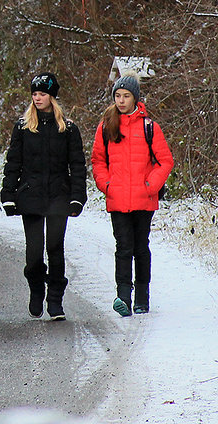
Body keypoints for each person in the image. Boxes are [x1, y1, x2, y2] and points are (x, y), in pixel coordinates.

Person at [1, 73, 86, 320]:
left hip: (59, 195)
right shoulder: (23, 127)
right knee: (34, 253)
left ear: (52, 96)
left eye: (42, 94)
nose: (38, 98)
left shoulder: (68, 129)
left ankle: (55, 300)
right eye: (35, 94)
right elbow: (13, 162)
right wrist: (9, 194)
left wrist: (77, 196)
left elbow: (77, 165)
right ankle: (36, 288)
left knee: (55, 248)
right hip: (32, 196)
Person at [91, 73, 173, 317]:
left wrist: (151, 186)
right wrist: (107, 185)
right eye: (117, 96)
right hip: (117, 199)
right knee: (123, 248)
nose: (121, 100)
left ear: (135, 98)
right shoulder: (107, 126)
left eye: (126, 96)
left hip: (143, 199)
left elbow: (165, 161)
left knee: (141, 247)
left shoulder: (149, 127)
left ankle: (142, 297)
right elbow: (98, 160)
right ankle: (123, 297)